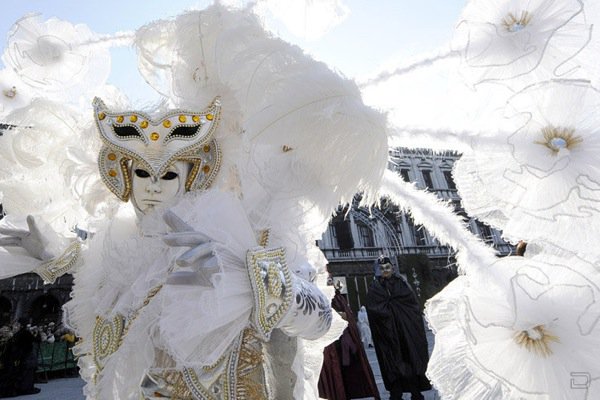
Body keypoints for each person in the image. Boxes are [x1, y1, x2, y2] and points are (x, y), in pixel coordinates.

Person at [0, 3, 391, 398]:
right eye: (141, 173)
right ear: (123, 177)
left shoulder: (246, 230)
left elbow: (320, 318)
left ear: (192, 177)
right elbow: (122, 297)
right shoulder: (117, 246)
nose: (152, 186)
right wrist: (60, 256)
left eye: (168, 174)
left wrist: (246, 280)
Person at [366, 256, 431, 400]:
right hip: (387, 332)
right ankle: (396, 392)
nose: (385, 271)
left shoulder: (401, 283)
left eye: (388, 268)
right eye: (382, 269)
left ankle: (415, 391)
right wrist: (387, 312)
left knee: (410, 358)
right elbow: (373, 307)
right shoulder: (375, 287)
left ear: (393, 268)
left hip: (405, 330)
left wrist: (399, 311)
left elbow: (411, 304)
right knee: (392, 361)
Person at [318, 285, 380, 400]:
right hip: (328, 344)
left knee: (344, 368)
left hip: (342, 341)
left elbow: (347, 317)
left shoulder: (338, 298)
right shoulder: (319, 298)